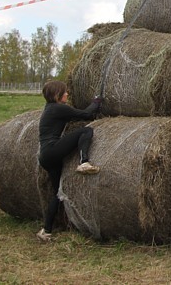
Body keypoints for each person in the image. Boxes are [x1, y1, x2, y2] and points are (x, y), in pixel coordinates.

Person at [36, 80, 103, 242]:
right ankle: (84, 161)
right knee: (86, 131)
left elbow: (71, 116)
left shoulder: (51, 109)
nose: (67, 94)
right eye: (64, 92)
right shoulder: (58, 108)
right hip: (52, 151)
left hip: (45, 156)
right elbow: (87, 115)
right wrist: (96, 101)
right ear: (56, 94)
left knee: (57, 194)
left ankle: (46, 230)